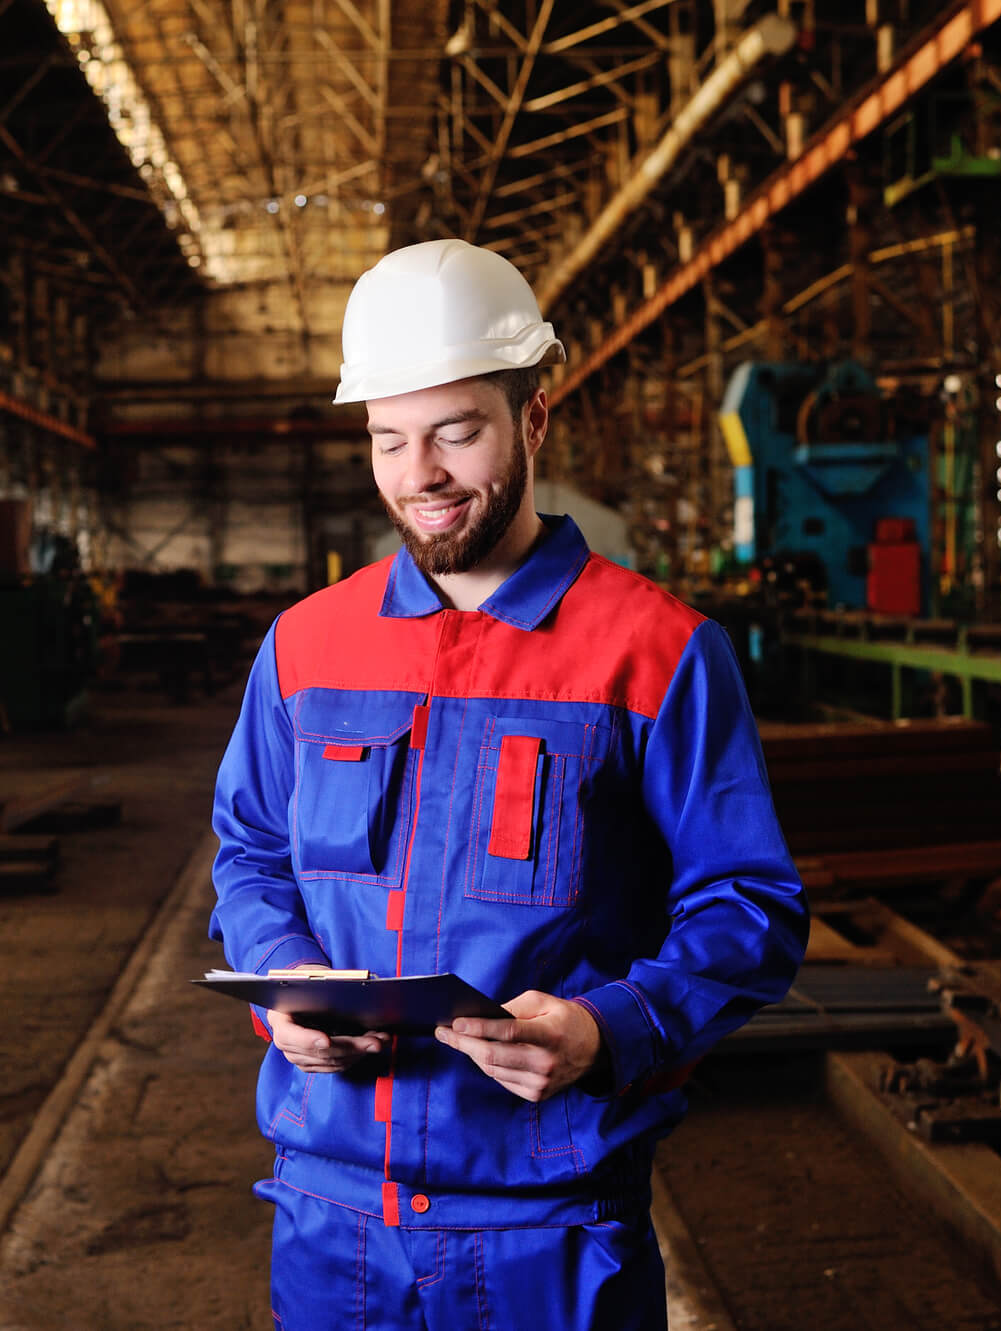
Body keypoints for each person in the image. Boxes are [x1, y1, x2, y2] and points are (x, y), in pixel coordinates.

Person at [209, 238, 806, 1330]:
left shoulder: (656, 653)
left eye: (455, 430)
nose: (419, 474)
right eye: (388, 437)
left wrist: (610, 1025)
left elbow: (749, 904)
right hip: (329, 1216)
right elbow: (250, 854)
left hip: (549, 1225)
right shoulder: (304, 647)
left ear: (532, 417)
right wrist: (280, 975)